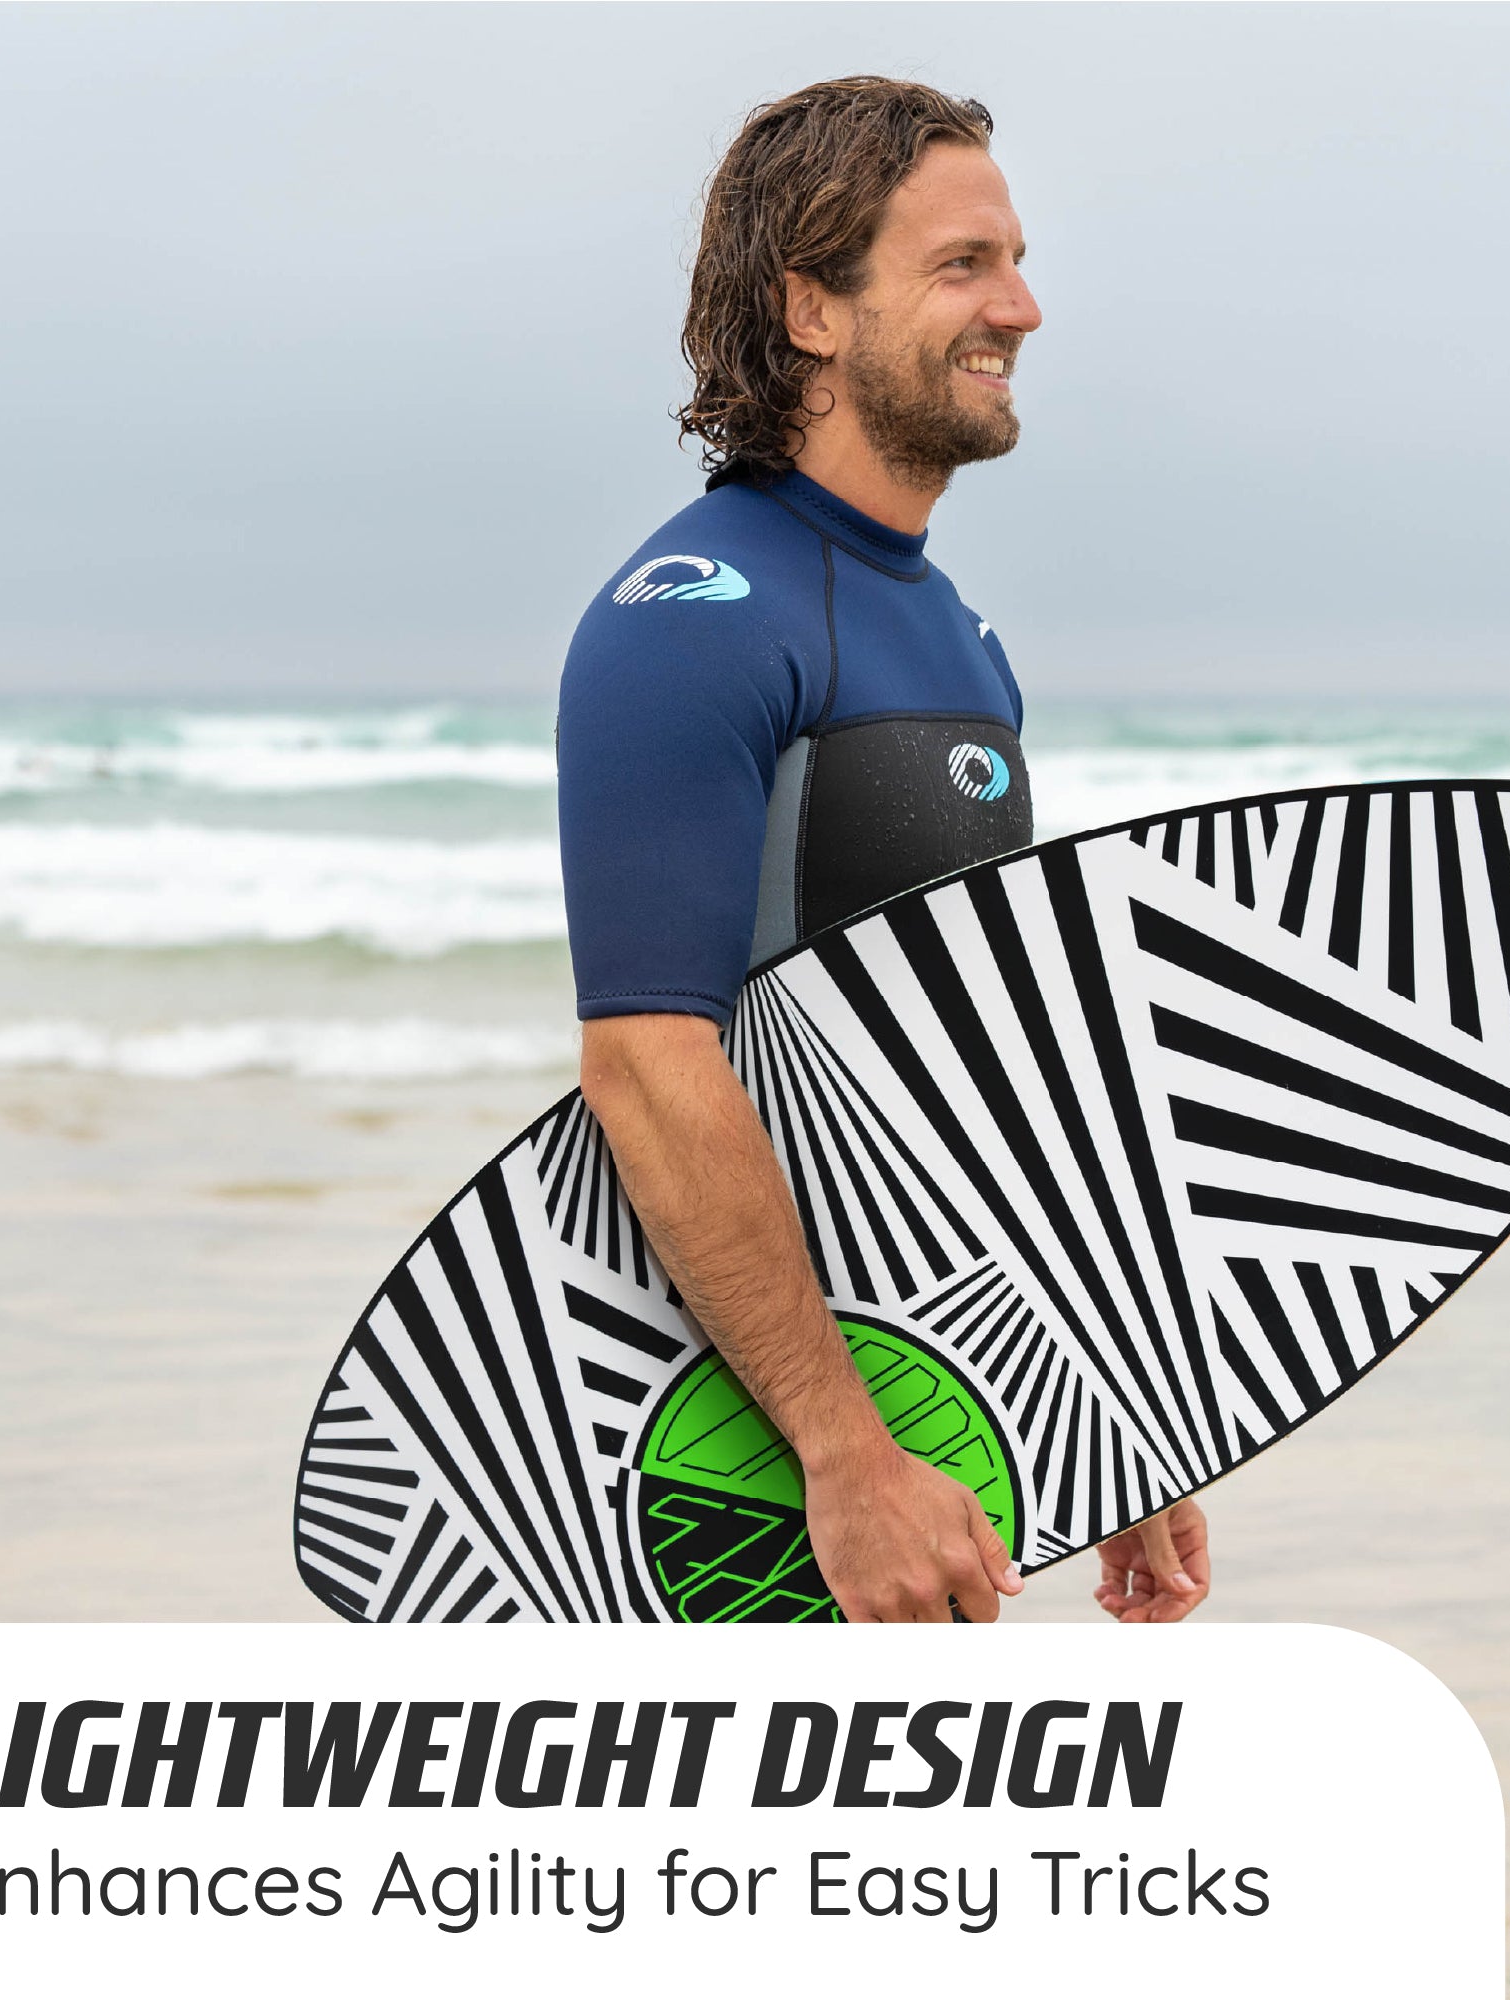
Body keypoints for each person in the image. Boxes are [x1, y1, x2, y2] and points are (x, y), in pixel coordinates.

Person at [557, 76, 1210, 1625]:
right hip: (738, 1460)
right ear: (812, 312)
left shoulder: (958, 639)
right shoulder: (693, 618)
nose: (1024, 307)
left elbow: (972, 1070)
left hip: (930, 1422)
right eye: (962, 265)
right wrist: (841, 1453)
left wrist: (1112, 1409)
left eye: (1017, 258)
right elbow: (646, 1065)